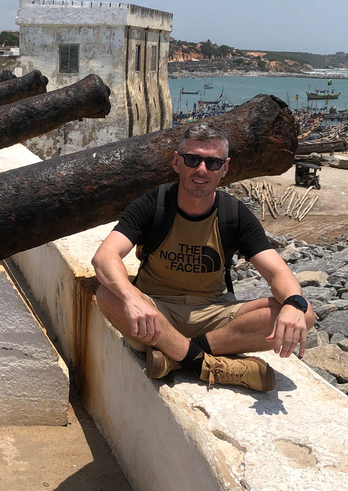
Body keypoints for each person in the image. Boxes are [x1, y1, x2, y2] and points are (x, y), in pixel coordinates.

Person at [91, 124, 315, 392]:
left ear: (225, 168)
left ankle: (177, 356)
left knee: (305, 312)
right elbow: (105, 256)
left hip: (214, 314)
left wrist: (292, 303)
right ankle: (207, 366)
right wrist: (131, 297)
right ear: (177, 162)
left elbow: (278, 272)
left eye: (212, 162)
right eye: (192, 159)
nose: (201, 170)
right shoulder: (154, 205)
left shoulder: (234, 214)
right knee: (108, 294)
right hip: (156, 312)